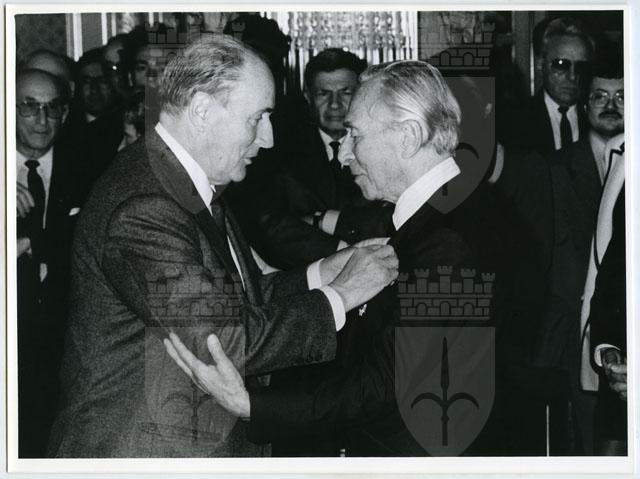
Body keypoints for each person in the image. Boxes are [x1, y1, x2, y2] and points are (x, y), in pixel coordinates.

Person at [47, 34, 397, 458]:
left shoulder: (185, 181)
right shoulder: (145, 206)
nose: (268, 138)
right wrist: (343, 294)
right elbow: (224, 340)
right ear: (201, 111)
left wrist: (323, 272)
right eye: (257, 118)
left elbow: (235, 300)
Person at [165, 60, 513, 456]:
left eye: (355, 135)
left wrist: (252, 405)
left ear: (408, 137)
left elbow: (384, 385)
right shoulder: (445, 215)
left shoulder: (447, 241)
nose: (344, 153)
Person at [535, 54, 624, 454]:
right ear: (585, 105)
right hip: (572, 338)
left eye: (622, 97)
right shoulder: (554, 168)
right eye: (600, 96)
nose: (611, 106)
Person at [253, 48, 395, 269]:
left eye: (346, 92)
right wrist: (345, 252)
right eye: (323, 93)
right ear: (308, 96)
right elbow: (271, 225)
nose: (334, 104)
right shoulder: (277, 150)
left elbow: (393, 218)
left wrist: (322, 220)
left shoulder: (387, 143)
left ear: (362, 94)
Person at [16, 69, 82, 457]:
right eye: (29, 107)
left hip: (64, 352)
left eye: (52, 108)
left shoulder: (87, 166)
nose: (42, 120)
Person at [505, 17, 593, 155]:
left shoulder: (596, 120)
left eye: (581, 66)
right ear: (541, 63)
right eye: (561, 64)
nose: (572, 76)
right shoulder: (513, 122)